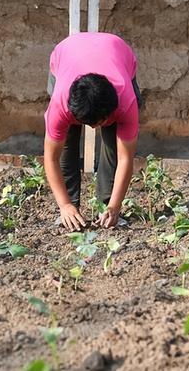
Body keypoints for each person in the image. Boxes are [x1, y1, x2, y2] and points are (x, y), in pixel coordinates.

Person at [44, 32, 143, 230]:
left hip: (117, 51)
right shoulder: (61, 104)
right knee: (67, 143)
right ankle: (71, 208)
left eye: (98, 122)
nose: (93, 129)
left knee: (114, 144)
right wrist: (64, 204)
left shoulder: (126, 102)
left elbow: (126, 158)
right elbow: (51, 158)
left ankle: (105, 207)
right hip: (67, 52)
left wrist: (115, 206)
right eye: (87, 123)